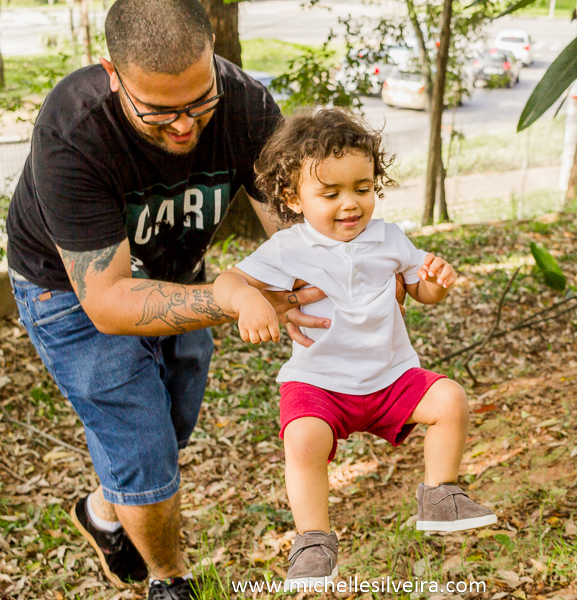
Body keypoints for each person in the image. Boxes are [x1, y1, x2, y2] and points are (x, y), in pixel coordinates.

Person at [4, 1, 327, 598]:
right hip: (70, 291)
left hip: (177, 270)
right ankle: (168, 579)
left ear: (213, 58)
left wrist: (356, 273)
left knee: (173, 422)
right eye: (158, 110)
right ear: (112, 73)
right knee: (145, 444)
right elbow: (108, 302)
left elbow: (294, 227)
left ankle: (104, 508)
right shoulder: (74, 130)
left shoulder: (246, 104)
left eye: (199, 102)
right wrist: (236, 297)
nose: (183, 127)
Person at [213, 108, 497, 591]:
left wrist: (435, 282)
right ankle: (313, 541)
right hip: (320, 383)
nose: (350, 204)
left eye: (362, 189)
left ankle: (440, 495)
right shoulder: (288, 247)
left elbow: (421, 291)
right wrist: (247, 301)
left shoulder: (389, 237)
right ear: (293, 198)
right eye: (330, 194)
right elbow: (228, 280)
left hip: (390, 376)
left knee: (450, 399)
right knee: (302, 438)